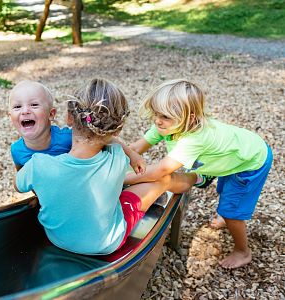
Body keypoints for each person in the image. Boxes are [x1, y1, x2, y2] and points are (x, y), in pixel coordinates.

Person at [14, 78, 194, 255]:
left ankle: (186, 180)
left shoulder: (37, 165)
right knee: (163, 180)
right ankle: (193, 178)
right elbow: (114, 147)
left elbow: (19, 185)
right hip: (106, 243)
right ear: (117, 130)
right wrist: (130, 153)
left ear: (69, 118)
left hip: (57, 239)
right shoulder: (117, 156)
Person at [126, 79, 273, 269]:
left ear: (190, 118)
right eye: (155, 113)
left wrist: (122, 178)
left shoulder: (194, 140)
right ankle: (216, 198)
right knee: (225, 190)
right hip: (233, 155)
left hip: (250, 162)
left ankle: (243, 251)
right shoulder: (167, 124)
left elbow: (162, 170)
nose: (157, 120)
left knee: (232, 211)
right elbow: (137, 147)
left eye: (164, 116)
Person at [8, 80, 145, 173]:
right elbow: (21, 174)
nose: (25, 111)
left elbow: (104, 136)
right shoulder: (16, 150)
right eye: (17, 106)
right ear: (10, 117)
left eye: (34, 105)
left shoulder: (68, 137)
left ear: (51, 114)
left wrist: (132, 155)